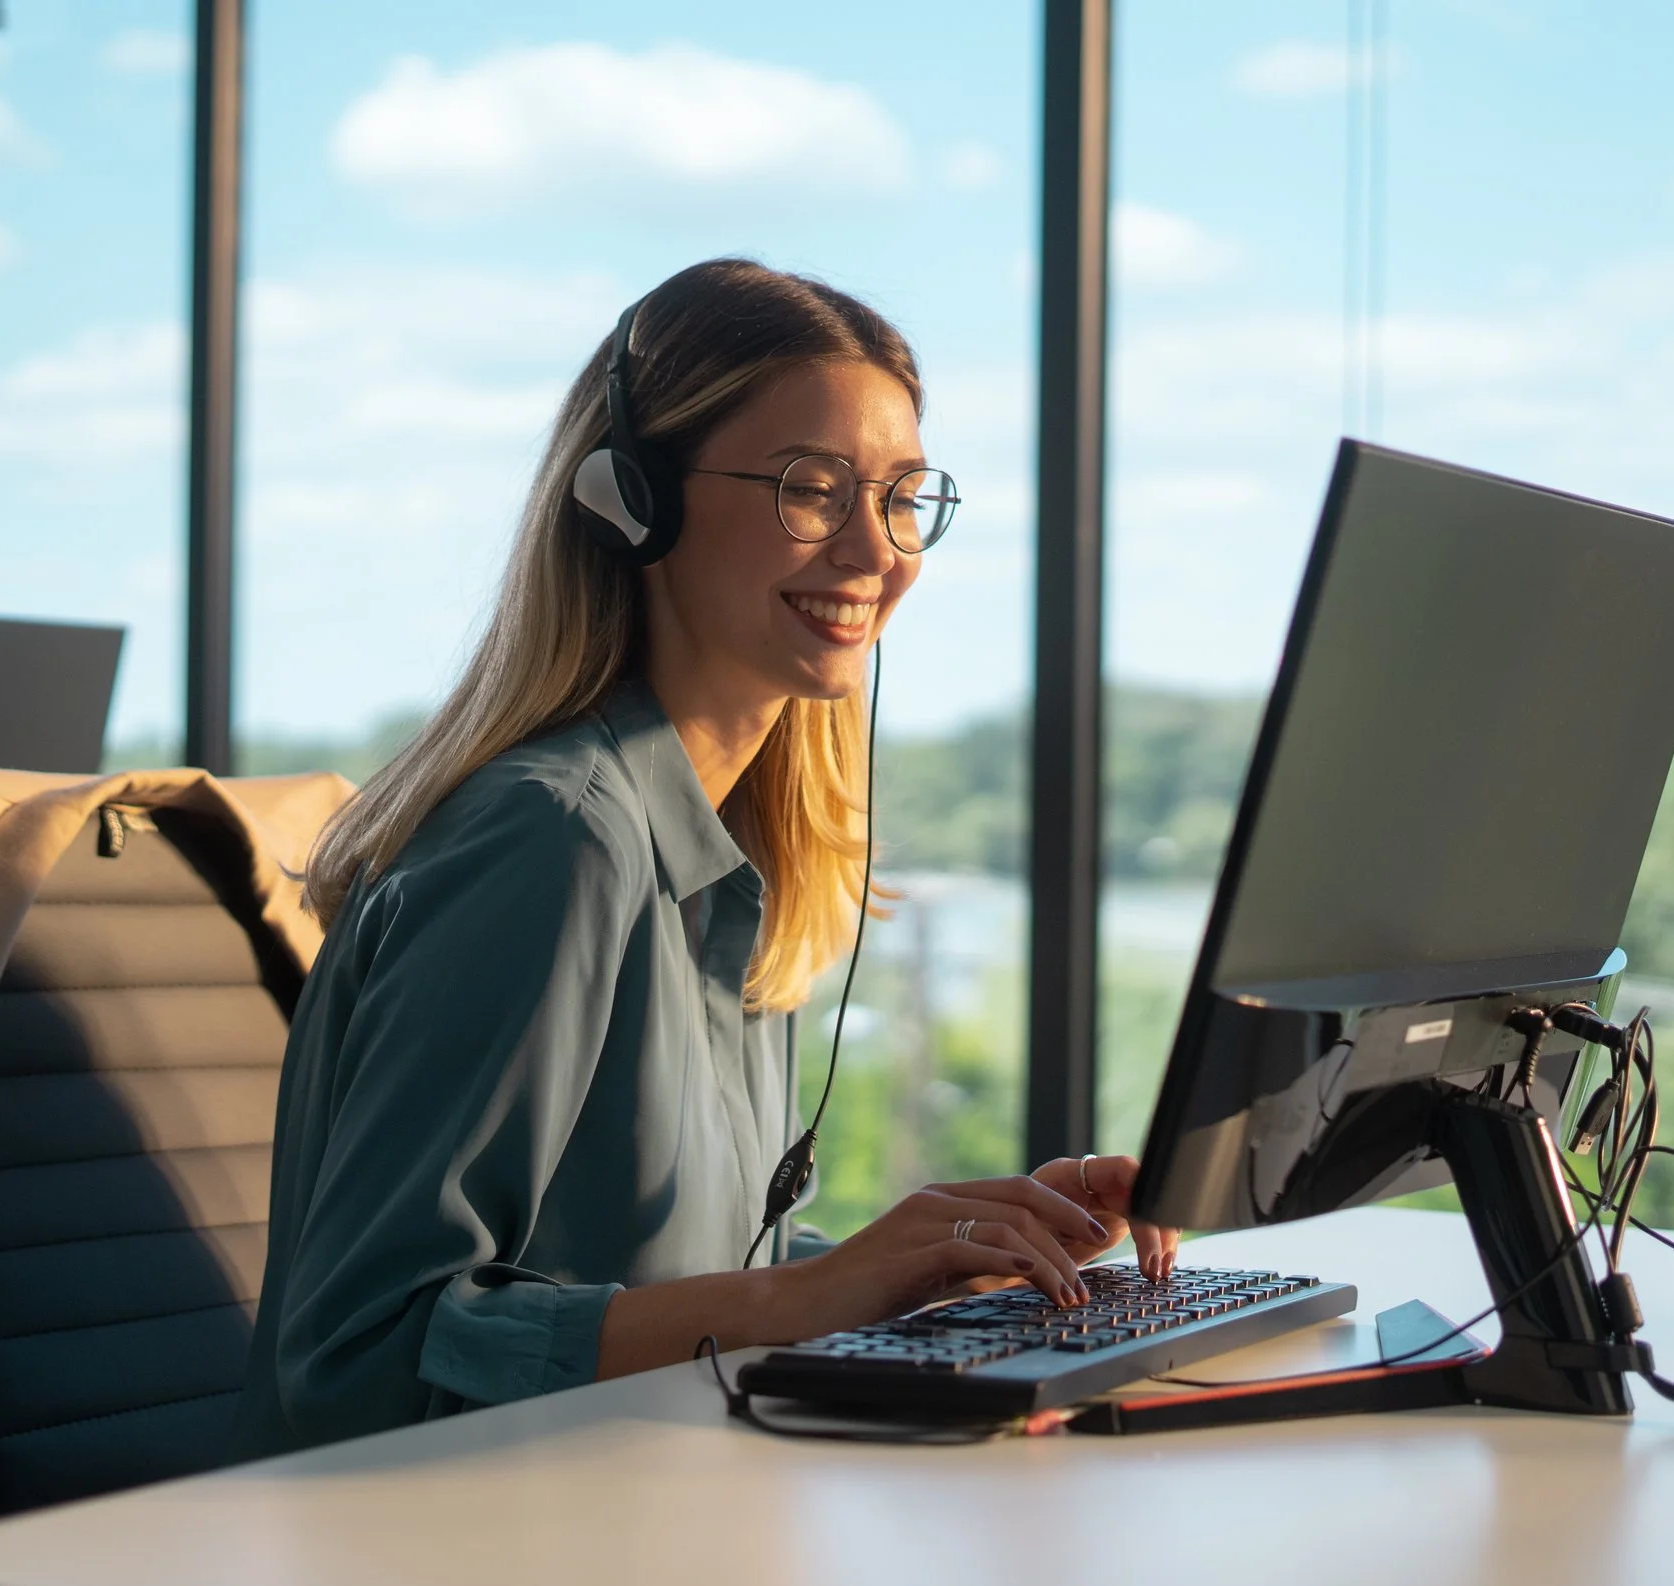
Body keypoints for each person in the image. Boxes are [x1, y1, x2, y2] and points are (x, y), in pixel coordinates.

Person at [229, 258, 1177, 1459]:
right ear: (638, 502)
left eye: (900, 496)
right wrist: (797, 1303)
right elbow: (358, 1355)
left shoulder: (741, 861)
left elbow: (688, 1283)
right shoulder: (554, 839)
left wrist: (937, 1270)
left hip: (642, 1511)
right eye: (810, 487)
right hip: (430, 1557)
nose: (872, 548)